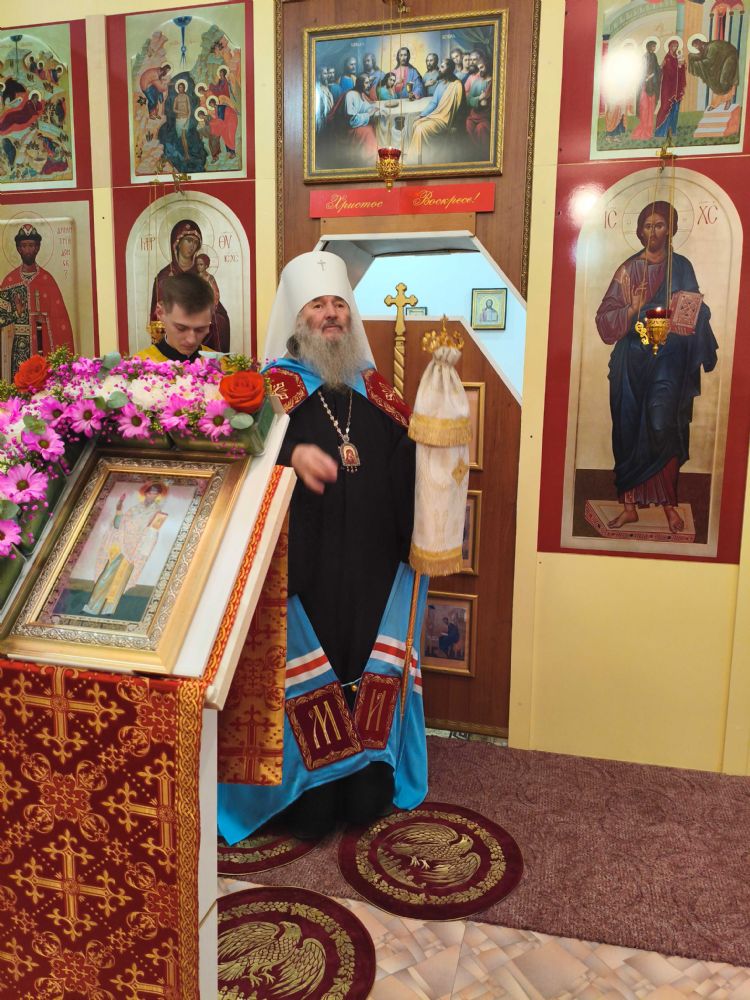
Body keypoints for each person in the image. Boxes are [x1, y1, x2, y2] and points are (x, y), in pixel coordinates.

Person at [218, 251, 424, 843]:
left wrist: (437, 437)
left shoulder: (376, 391)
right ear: (297, 317)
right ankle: (305, 783)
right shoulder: (271, 394)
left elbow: (407, 468)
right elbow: (235, 471)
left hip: (371, 577)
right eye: (318, 305)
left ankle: (366, 765)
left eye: (339, 304)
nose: (331, 314)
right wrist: (286, 456)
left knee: (367, 804)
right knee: (311, 817)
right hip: (301, 581)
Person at [594, 201, 718, 534]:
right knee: (627, 428)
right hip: (631, 361)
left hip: (668, 359)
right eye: (647, 226)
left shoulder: (682, 266)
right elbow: (604, 320)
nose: (653, 232)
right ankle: (629, 507)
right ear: (639, 230)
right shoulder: (628, 270)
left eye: (659, 225)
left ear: (671, 229)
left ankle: (669, 506)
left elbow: (695, 308)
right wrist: (631, 308)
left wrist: (690, 311)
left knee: (664, 425)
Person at [81, 483, 168, 618]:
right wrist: (119, 508)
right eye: (151, 492)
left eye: (156, 493)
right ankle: (92, 607)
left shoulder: (157, 512)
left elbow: (152, 531)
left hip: (135, 549)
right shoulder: (135, 509)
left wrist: (143, 542)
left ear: (157, 496)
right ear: (146, 493)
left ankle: (108, 610)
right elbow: (118, 524)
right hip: (120, 544)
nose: (152, 495)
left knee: (121, 578)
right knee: (106, 576)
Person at [149, 219, 230, 352]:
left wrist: (212, 317)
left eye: (195, 242)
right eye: (188, 240)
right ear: (177, 243)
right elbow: (157, 316)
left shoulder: (203, 276)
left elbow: (219, 312)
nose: (192, 246)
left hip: (203, 345)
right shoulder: (164, 277)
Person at [1, 223, 74, 356]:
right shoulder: (9, 281)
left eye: (31, 245)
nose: (28, 250)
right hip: (18, 352)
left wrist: (45, 319)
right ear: (18, 249)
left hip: (43, 347)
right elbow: (1, 318)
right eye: (24, 246)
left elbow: (61, 321)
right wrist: (17, 314)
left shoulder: (48, 280)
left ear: (37, 248)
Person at [139, 271, 216, 362]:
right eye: (181, 328)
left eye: (200, 329)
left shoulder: (224, 366)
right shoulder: (137, 367)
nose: (191, 340)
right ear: (160, 313)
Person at [408, 57, 464, 163]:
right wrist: (421, 115)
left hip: (446, 120)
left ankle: (416, 160)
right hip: (437, 116)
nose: (439, 69)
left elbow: (460, 107)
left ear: (449, 69)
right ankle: (419, 159)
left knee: (420, 129)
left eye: (442, 67)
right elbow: (433, 103)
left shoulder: (457, 85)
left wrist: (455, 125)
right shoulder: (440, 84)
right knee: (415, 124)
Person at [688, 38, 739, 111]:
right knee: (716, 82)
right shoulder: (705, 48)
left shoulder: (711, 47)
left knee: (725, 80)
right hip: (722, 62)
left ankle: (728, 101)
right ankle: (715, 104)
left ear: (700, 43)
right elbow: (703, 56)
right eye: (695, 47)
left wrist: (697, 64)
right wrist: (692, 56)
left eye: (696, 46)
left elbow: (709, 61)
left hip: (730, 58)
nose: (696, 48)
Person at [342, 73, 380, 160]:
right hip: (350, 128)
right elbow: (352, 120)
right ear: (360, 84)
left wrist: (375, 109)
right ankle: (368, 158)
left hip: (358, 123)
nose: (369, 85)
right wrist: (369, 114)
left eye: (369, 82)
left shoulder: (361, 94)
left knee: (376, 126)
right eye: (366, 83)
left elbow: (366, 107)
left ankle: (375, 155)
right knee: (368, 132)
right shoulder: (350, 95)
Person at [655, 39, 686, 137]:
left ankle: (673, 131)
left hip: (677, 89)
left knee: (675, 110)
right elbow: (670, 72)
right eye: (673, 46)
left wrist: (683, 65)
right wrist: (679, 66)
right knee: (665, 107)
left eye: (676, 46)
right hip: (668, 88)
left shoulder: (678, 57)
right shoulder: (667, 58)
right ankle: (660, 132)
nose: (674, 48)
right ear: (669, 47)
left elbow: (680, 71)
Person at [631, 40, 661, 140]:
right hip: (645, 87)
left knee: (650, 110)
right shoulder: (645, 57)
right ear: (648, 47)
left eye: (655, 46)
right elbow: (641, 71)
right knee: (644, 109)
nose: (654, 48)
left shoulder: (654, 56)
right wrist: (647, 76)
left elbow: (656, 69)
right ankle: (643, 132)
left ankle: (649, 132)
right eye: (653, 46)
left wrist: (660, 68)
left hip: (652, 86)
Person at [466, 57, 492, 151]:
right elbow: (469, 100)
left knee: (481, 128)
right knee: (468, 124)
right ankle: (474, 152)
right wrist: (479, 99)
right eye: (479, 68)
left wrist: (486, 102)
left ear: (487, 66)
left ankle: (483, 152)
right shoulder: (477, 82)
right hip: (475, 115)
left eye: (482, 67)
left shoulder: (494, 82)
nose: (480, 70)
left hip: (487, 116)